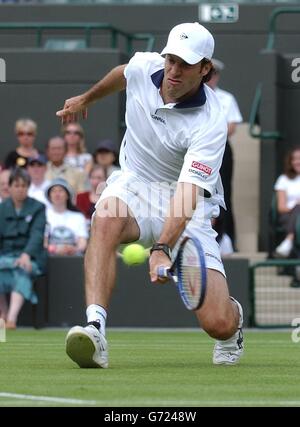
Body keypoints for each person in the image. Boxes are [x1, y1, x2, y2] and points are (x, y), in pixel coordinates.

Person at [56, 22, 244, 368]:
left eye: (185, 64)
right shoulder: (146, 66)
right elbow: (123, 74)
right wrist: (87, 98)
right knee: (105, 219)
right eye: (170, 59)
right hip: (135, 182)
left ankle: (234, 325)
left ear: (205, 69)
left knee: (218, 324)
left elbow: (188, 192)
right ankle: (95, 328)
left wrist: (161, 248)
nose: (173, 70)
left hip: (187, 204)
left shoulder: (212, 120)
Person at [0, 168, 46, 329]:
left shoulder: (38, 207)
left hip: (29, 258)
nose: (20, 189)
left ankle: (12, 319)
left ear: (28, 187)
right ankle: (3, 314)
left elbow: (37, 235)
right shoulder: (2, 208)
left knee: (23, 268)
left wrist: (27, 254)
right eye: (17, 185)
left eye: (24, 186)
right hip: (4, 256)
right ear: (10, 187)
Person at [206, 59, 243, 249]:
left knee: (224, 193)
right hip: (196, 149)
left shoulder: (226, 98)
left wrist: (209, 133)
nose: (210, 77)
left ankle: (227, 239)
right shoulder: (191, 95)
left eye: (213, 74)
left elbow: (232, 126)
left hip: (220, 149)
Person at [45, 178, 88, 256]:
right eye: (54, 191)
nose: (57, 194)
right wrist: (54, 249)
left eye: (61, 191)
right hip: (49, 257)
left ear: (67, 195)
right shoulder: (43, 215)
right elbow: (42, 242)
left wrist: (75, 250)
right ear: (49, 195)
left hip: (74, 257)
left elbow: (82, 241)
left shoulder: (78, 217)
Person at [274, 147, 300, 257]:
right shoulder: (283, 179)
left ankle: (289, 240)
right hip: (288, 216)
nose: (298, 162)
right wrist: (296, 206)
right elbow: (281, 207)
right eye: (295, 159)